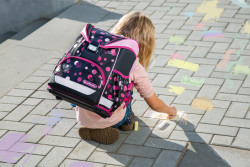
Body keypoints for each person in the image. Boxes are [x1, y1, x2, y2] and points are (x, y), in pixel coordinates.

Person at [76, 12, 177, 144]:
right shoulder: (134, 64)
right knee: (126, 93)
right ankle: (123, 122)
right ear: (145, 43)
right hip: (109, 115)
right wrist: (170, 110)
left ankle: (91, 127)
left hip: (83, 112)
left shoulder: (98, 47)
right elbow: (154, 103)